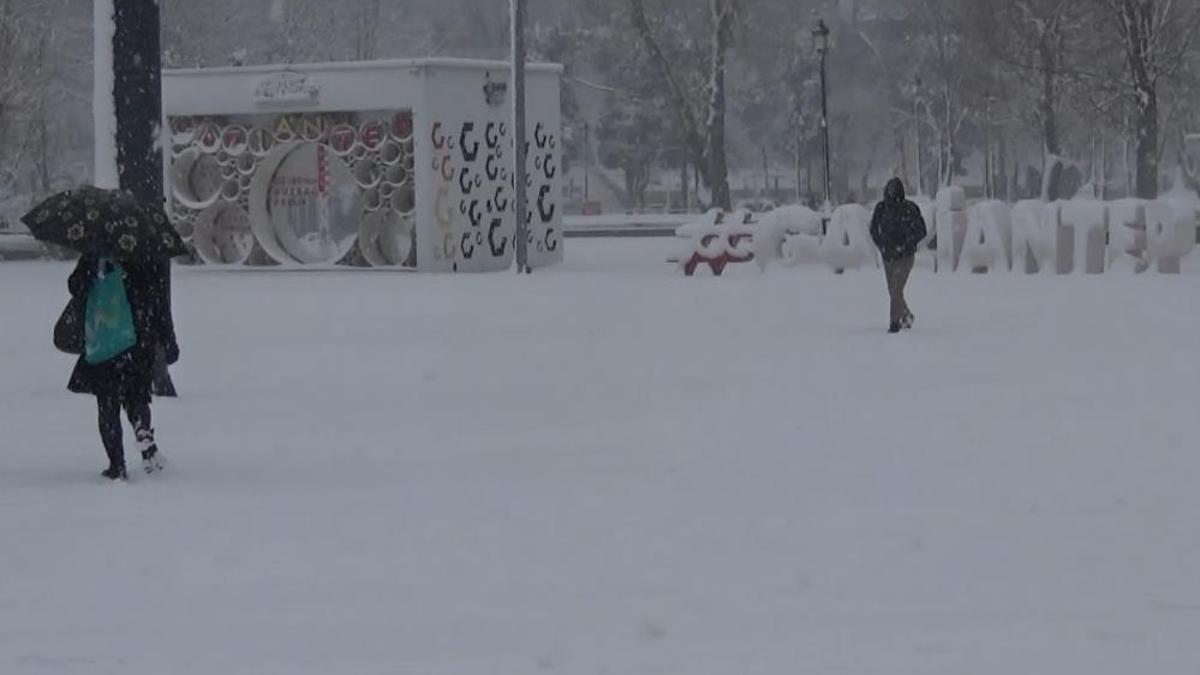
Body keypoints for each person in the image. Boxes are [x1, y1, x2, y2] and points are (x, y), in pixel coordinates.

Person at [67, 254, 179, 480]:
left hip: (106, 338)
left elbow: (75, 285)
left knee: (108, 404)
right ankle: (141, 427)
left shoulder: (97, 249)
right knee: (137, 394)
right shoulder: (146, 250)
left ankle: (117, 465)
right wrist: (168, 340)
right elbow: (160, 299)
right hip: (139, 337)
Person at [869, 177, 927, 334]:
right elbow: (874, 229)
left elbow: (921, 230)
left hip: (905, 257)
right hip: (888, 256)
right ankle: (906, 315)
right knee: (893, 290)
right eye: (889, 190)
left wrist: (908, 243)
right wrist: (882, 245)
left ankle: (894, 322)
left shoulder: (910, 208)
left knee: (896, 289)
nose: (891, 193)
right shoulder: (881, 209)